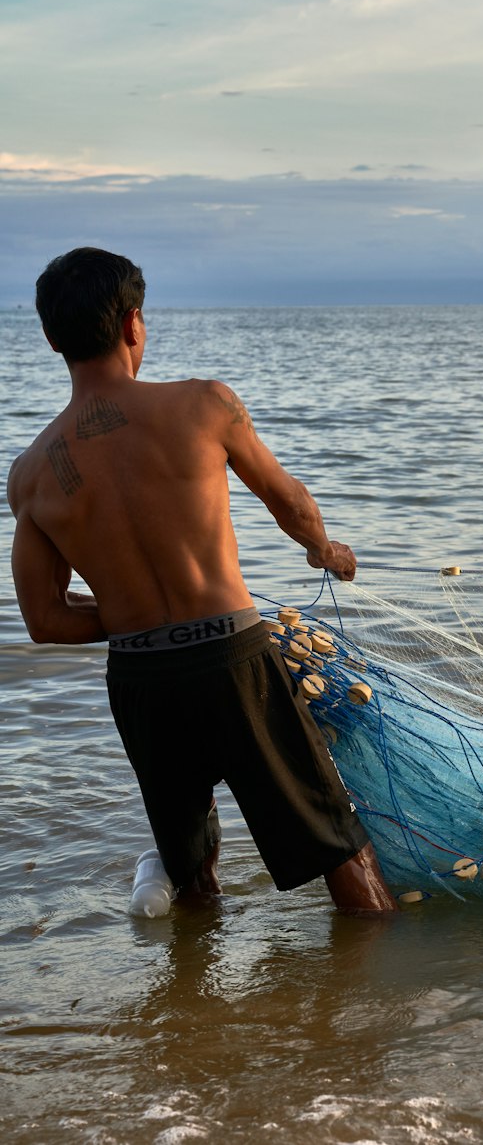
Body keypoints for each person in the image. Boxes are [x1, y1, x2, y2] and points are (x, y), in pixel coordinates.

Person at [6, 247, 398, 915]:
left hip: (142, 681)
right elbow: (292, 506)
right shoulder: (205, 405)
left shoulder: (33, 473)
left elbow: (44, 620)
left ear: (50, 338)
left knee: (189, 872)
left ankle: (194, 1009)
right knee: (339, 850)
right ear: (133, 324)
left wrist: (135, 612)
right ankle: (383, 1007)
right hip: (233, 660)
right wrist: (326, 551)